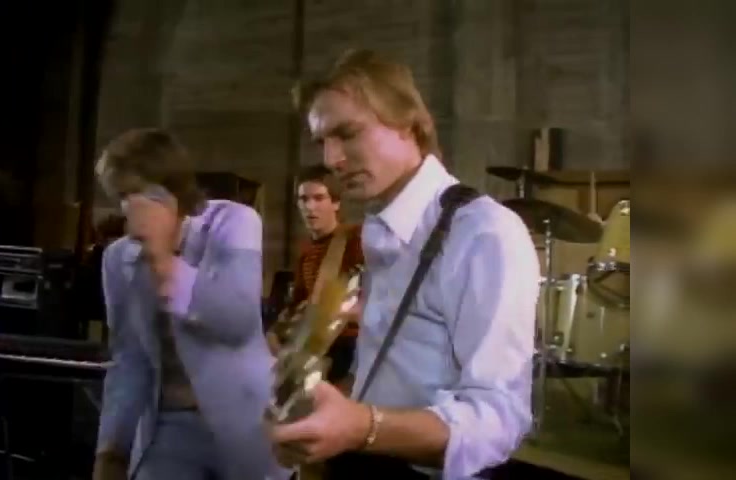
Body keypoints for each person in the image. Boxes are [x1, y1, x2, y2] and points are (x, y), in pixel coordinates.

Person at [268, 49, 540, 479]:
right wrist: (316, 416)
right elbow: (385, 370)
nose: (333, 159)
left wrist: (362, 427)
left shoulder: (483, 232)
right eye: (323, 142)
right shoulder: (379, 228)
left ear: (409, 124)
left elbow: (497, 421)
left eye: (347, 134)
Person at [91, 127, 289, 480]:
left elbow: (237, 321)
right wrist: (112, 448)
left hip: (244, 419)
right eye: (122, 196)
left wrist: (163, 260)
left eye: (139, 193)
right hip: (169, 424)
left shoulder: (233, 222)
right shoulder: (118, 259)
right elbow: (130, 358)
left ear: (171, 191)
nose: (130, 207)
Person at [265, 164, 364, 390]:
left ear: (336, 203)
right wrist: (275, 333)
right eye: (304, 199)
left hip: (350, 347)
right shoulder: (306, 252)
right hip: (314, 347)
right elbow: (298, 301)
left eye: (319, 198)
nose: (310, 207)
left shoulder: (354, 240)